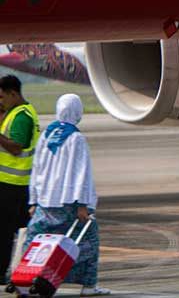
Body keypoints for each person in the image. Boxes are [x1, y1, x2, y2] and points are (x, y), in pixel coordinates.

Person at [23, 94, 108, 296]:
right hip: (68, 202)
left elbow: (37, 168)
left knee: (35, 241)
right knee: (87, 240)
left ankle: (24, 280)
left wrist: (33, 199)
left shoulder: (46, 135)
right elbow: (81, 172)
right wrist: (83, 203)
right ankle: (88, 285)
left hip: (45, 200)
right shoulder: (76, 138)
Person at [0, 76, 39, 282]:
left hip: (13, 185)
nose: (0, 101)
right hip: (11, 184)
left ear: (13, 94)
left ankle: (1, 273)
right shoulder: (14, 112)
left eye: (1, 97)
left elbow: (16, 147)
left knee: (5, 233)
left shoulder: (22, 116)